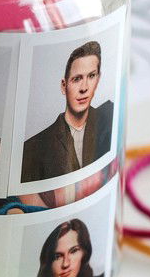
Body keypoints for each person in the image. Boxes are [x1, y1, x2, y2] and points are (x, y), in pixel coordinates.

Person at [21, 40, 113, 183]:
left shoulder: (110, 118)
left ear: (98, 79)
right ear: (64, 86)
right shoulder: (35, 147)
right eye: (77, 79)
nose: (84, 88)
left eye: (91, 76)